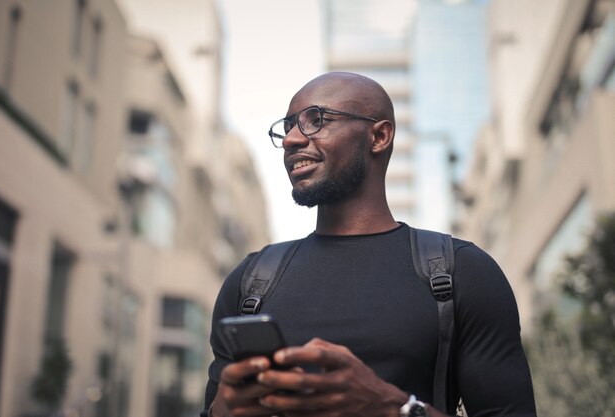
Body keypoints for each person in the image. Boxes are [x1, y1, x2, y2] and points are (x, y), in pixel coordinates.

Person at [200, 72, 536, 417]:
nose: (291, 140)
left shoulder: (463, 272)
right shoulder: (250, 281)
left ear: (379, 136)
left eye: (316, 120)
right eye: (287, 127)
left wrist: (395, 408)